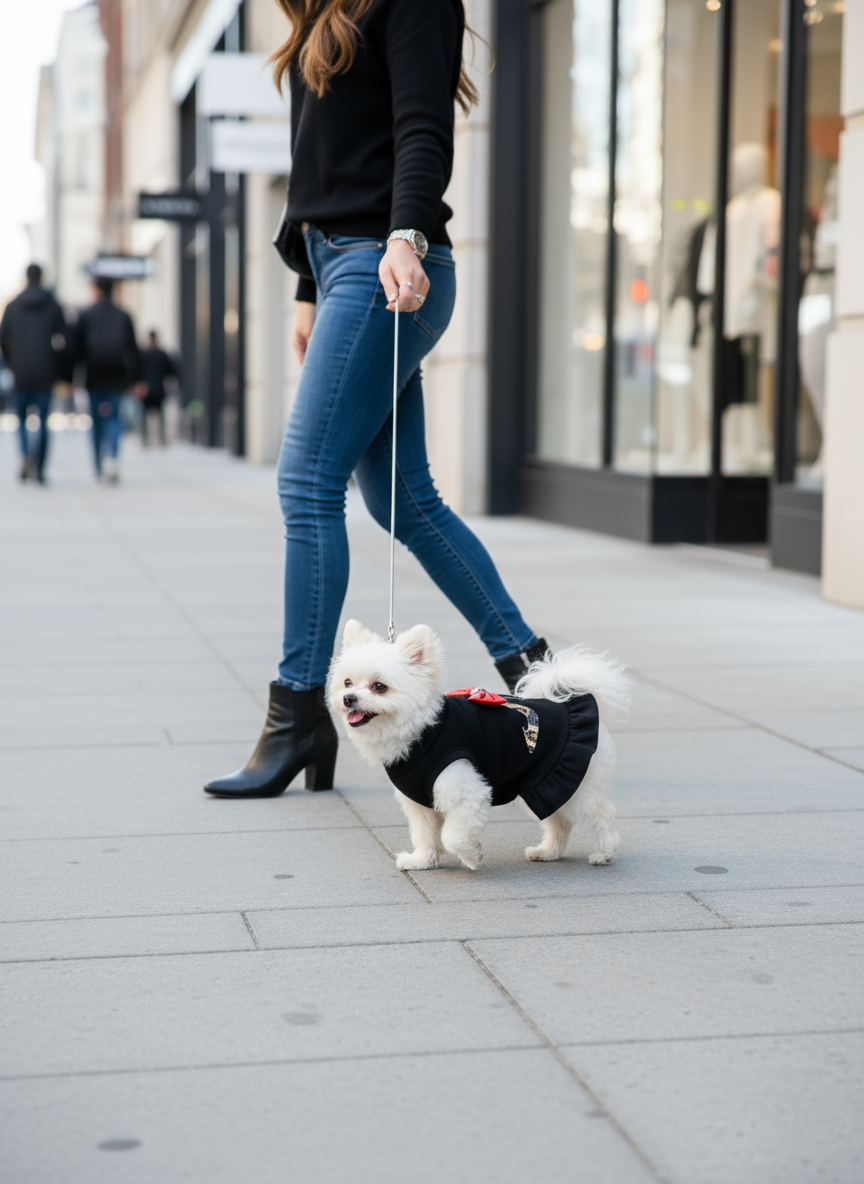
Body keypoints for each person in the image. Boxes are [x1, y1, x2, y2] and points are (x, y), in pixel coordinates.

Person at [204, 0, 547, 799]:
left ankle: (297, 718)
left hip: (385, 264)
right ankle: (535, 671)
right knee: (404, 499)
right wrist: (305, 287)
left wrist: (405, 238)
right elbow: (322, 158)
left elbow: (422, 128)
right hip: (341, 267)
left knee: (306, 484)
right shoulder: (325, 10)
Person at [0, 263, 68, 484]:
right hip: (45, 372)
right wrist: (58, 368)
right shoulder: (53, 306)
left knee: (20, 420)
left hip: (20, 372)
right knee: (43, 422)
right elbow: (64, 342)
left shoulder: (12, 306)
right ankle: (39, 467)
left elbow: (3, 341)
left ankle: (26, 454)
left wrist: (12, 363)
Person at [71, 277, 142, 483]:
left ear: (96, 290)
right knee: (114, 419)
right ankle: (112, 458)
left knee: (96, 421)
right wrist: (137, 379)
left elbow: (76, 350)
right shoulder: (123, 315)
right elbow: (133, 349)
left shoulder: (85, 315)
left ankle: (98, 466)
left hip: (93, 375)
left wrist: (71, 377)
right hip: (117, 375)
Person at [138, 329, 177, 446]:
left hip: (146, 389)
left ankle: (145, 439)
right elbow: (171, 372)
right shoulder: (162, 354)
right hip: (159, 389)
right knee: (159, 416)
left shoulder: (143, 355)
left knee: (145, 416)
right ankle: (161, 439)